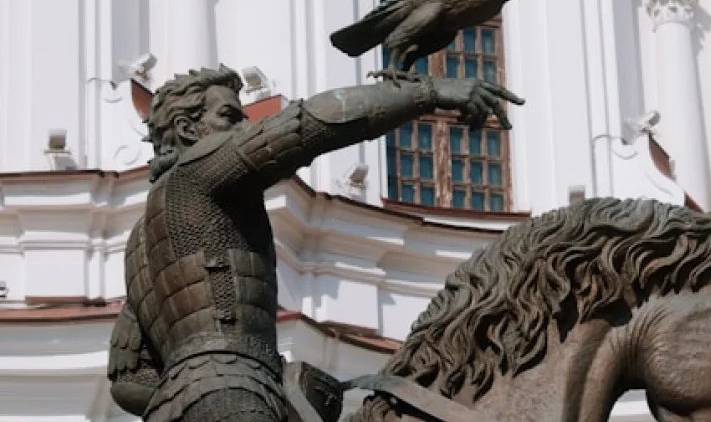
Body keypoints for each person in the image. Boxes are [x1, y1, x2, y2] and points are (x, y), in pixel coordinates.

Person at [107, 65, 522, 421]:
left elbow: (129, 379)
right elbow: (305, 126)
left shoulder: (142, 241)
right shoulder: (200, 173)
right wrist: (428, 92)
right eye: (230, 117)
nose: (244, 129)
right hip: (235, 395)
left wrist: (190, 395)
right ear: (187, 129)